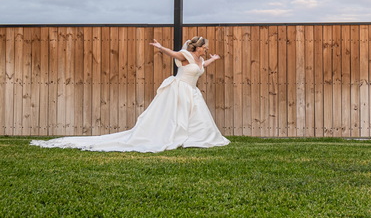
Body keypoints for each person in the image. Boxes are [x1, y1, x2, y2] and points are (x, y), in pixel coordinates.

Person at [31, 36, 230, 152]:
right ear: (197, 47)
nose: (206, 50)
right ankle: (170, 136)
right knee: (174, 117)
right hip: (179, 90)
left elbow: (201, 67)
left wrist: (214, 59)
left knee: (196, 117)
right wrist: (161, 48)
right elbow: (173, 54)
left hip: (192, 92)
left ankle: (195, 137)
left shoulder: (200, 60)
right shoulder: (185, 55)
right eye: (205, 48)